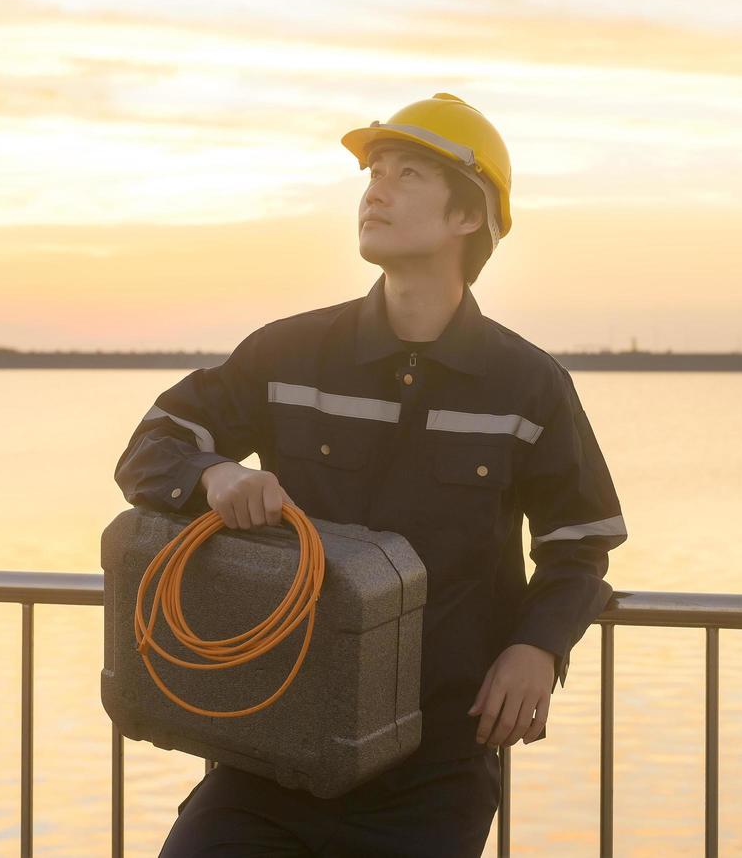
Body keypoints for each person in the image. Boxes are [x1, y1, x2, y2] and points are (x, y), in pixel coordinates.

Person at [114, 92, 628, 857]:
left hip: (432, 775)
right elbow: (152, 445)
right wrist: (213, 476)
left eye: (408, 174)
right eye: (373, 173)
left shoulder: (526, 384)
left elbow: (578, 544)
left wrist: (538, 646)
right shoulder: (289, 353)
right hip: (268, 753)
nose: (375, 191)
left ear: (467, 216)